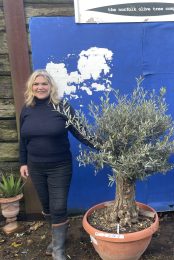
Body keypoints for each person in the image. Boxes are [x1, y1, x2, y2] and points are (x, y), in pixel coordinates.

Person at [19, 69, 95, 260]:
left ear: (51, 86)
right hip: (36, 166)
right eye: (36, 84)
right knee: (46, 206)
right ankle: (56, 238)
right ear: (31, 87)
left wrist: (104, 146)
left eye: (44, 83)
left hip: (59, 166)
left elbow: (81, 132)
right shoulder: (27, 108)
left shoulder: (63, 107)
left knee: (58, 206)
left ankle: (58, 250)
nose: (40, 87)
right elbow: (23, 139)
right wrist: (23, 162)